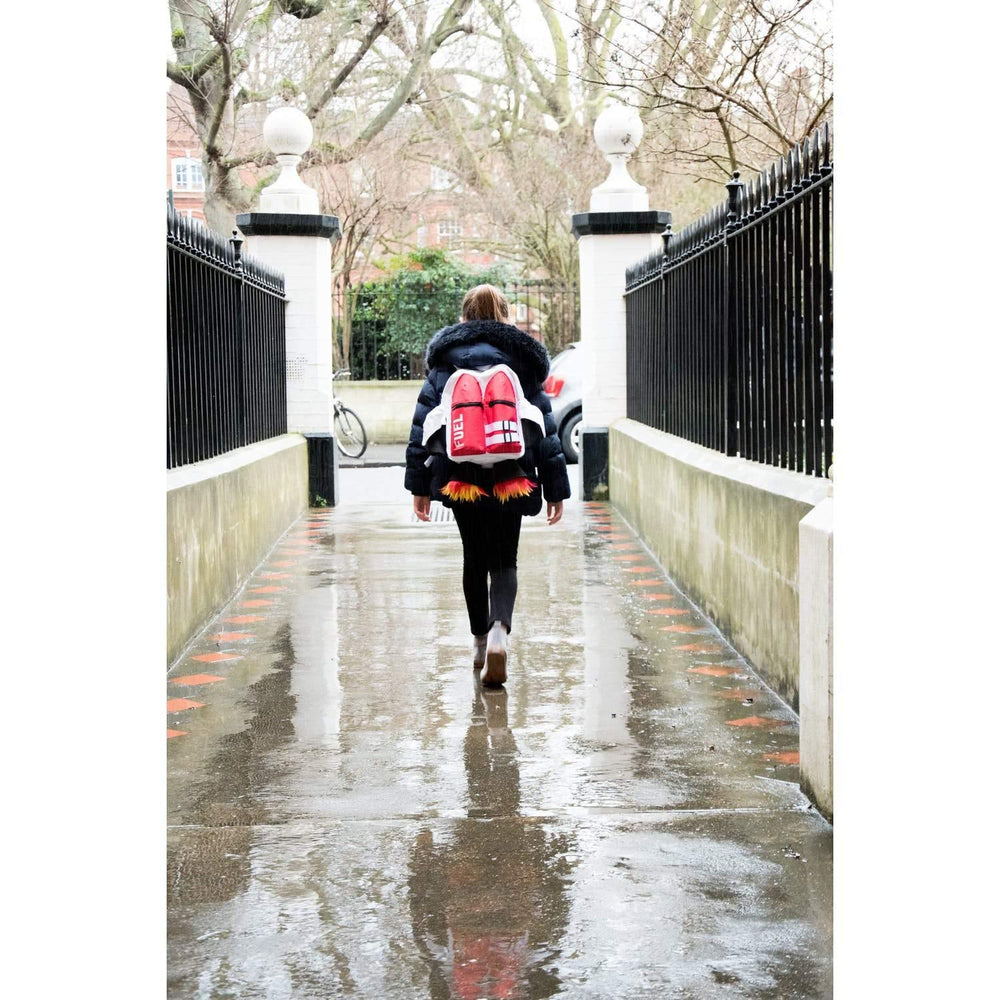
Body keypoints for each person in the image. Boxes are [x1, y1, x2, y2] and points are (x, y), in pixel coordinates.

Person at [405, 284, 571, 686]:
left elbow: (423, 423)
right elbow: (546, 428)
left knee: (473, 558)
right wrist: (555, 488)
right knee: (505, 558)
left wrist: (419, 486)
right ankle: (500, 631)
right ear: (504, 314)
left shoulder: (444, 360)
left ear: (465, 318)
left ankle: (479, 641)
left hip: (461, 478)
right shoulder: (523, 359)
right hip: (512, 476)